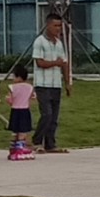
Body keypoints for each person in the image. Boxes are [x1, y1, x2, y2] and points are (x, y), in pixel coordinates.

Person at [30, 15, 73, 154]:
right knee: (46, 114)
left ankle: (50, 144)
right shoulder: (39, 41)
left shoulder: (59, 43)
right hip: (43, 84)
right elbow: (40, 62)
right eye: (55, 25)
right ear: (48, 25)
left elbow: (64, 63)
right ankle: (37, 141)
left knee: (54, 117)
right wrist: (56, 63)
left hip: (56, 84)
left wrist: (67, 82)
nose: (58, 29)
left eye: (60, 26)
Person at [7, 62, 36, 158]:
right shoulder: (30, 87)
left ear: (18, 77)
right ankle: (20, 148)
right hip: (25, 110)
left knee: (15, 130)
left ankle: (13, 148)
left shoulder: (12, 87)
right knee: (23, 131)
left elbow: (10, 100)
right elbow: (33, 97)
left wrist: (9, 100)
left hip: (15, 111)